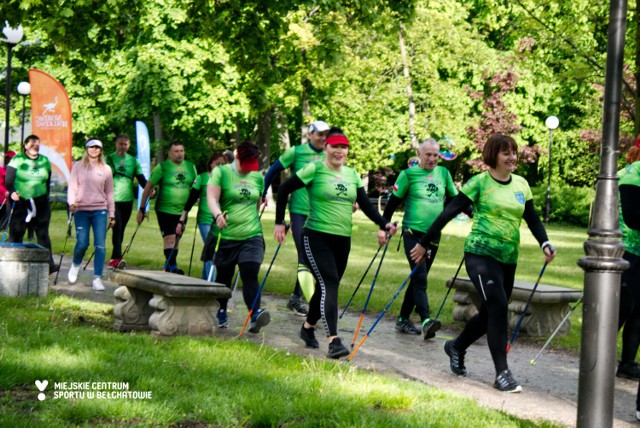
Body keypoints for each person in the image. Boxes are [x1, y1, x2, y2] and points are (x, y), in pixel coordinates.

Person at [410, 133, 556, 393]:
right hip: (479, 254)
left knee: (491, 311)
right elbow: (449, 212)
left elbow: (532, 218)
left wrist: (544, 243)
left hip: (508, 257)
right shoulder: (479, 182)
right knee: (499, 306)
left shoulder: (521, 184)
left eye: (514, 152)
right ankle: (502, 374)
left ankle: (456, 346)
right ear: (493, 156)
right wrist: (423, 242)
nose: (512, 157)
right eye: (506, 153)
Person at [275, 128, 397, 359]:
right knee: (330, 283)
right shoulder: (315, 169)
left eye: (344, 147)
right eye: (335, 146)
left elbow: (366, 204)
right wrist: (280, 222)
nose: (339, 151)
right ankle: (334, 340)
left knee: (324, 287)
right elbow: (284, 189)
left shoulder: (352, 174)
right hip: (316, 236)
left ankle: (307, 328)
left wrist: (384, 223)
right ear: (326, 148)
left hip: (342, 239)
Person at [382, 138, 458, 339]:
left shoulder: (444, 173)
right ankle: (426, 320)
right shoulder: (408, 175)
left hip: (434, 235)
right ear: (419, 154)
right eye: (428, 155)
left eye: (435, 155)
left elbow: (454, 199)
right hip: (412, 233)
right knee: (420, 277)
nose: (432, 159)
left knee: (416, 277)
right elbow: (392, 204)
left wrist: (471, 210)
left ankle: (402, 319)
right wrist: (384, 226)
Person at [263, 120, 331, 316]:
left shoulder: (330, 155)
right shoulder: (296, 152)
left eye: (326, 134)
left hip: (320, 213)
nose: (323, 138)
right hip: (299, 211)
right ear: (309, 135)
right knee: (305, 253)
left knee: (312, 256)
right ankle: (306, 301)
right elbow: (274, 170)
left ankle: (295, 297)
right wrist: (263, 191)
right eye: (319, 134)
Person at [207, 141, 268, 331]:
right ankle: (221, 310)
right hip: (226, 235)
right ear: (237, 156)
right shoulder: (222, 172)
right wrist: (217, 215)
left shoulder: (257, 176)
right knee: (224, 276)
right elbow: (212, 197)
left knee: (250, 271)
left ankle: (255, 314)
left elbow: (257, 202)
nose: (249, 169)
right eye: (245, 164)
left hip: (252, 234)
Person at [136, 141, 197, 273]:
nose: (179, 154)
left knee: (176, 239)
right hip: (165, 209)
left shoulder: (191, 167)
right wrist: (142, 209)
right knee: (170, 238)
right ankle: (173, 267)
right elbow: (148, 188)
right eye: (176, 151)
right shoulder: (162, 167)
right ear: (170, 154)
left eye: (181, 151)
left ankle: (168, 266)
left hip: (183, 211)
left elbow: (195, 187)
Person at [67, 138, 115, 290]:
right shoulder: (77, 166)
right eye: (91, 147)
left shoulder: (106, 169)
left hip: (99, 210)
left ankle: (97, 278)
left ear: (101, 150)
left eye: (97, 147)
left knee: (100, 245)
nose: (94, 150)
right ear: (86, 149)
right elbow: (72, 187)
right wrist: (71, 203)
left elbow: (110, 192)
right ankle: (75, 264)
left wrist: (111, 214)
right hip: (81, 209)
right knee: (82, 243)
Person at [5, 137, 56, 272]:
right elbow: (9, 180)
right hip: (21, 201)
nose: (35, 146)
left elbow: (47, 181)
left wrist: (46, 198)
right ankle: (13, 265)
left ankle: (48, 265)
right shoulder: (18, 159)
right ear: (25, 146)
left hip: (40, 202)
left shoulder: (44, 160)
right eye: (32, 144)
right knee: (17, 233)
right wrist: (12, 192)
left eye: (38, 144)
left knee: (43, 234)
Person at [178, 152, 227, 279]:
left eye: (222, 164)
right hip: (205, 218)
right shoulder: (202, 177)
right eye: (217, 163)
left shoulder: (226, 179)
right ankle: (211, 281)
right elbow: (192, 198)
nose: (219, 166)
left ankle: (205, 279)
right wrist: (183, 216)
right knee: (211, 247)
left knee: (210, 248)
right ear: (211, 164)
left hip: (220, 218)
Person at [105, 134, 149, 268]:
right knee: (117, 228)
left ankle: (114, 257)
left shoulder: (133, 161)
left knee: (121, 229)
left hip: (128, 200)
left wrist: (150, 189)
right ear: (116, 144)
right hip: (113, 199)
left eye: (125, 144)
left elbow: (141, 179)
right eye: (120, 144)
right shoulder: (109, 159)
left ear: (129, 146)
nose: (123, 147)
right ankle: (118, 257)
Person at [616, 142, 640, 381]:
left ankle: (628, 363)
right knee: (623, 308)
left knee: (636, 311)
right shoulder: (624, 176)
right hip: (624, 249)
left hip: (630, 248)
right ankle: (599, 356)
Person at [0, 150, 16, 230]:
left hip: (11, 196)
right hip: (2, 197)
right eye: (9, 159)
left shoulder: (15, 170)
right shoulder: (1, 170)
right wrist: (4, 192)